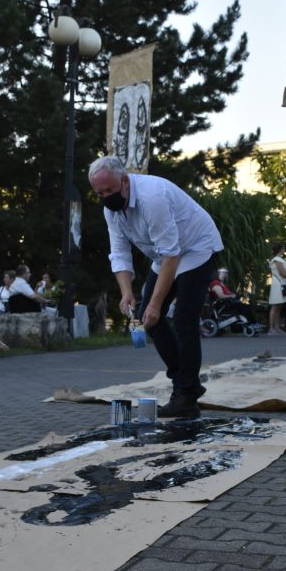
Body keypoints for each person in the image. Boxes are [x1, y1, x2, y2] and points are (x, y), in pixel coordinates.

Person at [88, 155, 223, 418]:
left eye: (109, 190)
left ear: (125, 181)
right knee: (147, 319)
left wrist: (155, 304)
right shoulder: (110, 210)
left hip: (196, 247)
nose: (106, 197)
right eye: (99, 193)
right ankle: (186, 382)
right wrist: (126, 292)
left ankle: (186, 397)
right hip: (165, 255)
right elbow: (119, 253)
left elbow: (172, 253)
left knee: (183, 320)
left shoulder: (152, 197)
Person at [267, 242, 286, 335]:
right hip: (277, 284)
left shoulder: (278, 259)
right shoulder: (277, 259)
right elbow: (283, 273)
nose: (284, 250)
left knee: (278, 307)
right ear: (281, 249)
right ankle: (271, 328)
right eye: (283, 248)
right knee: (275, 306)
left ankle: (276, 327)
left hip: (280, 283)